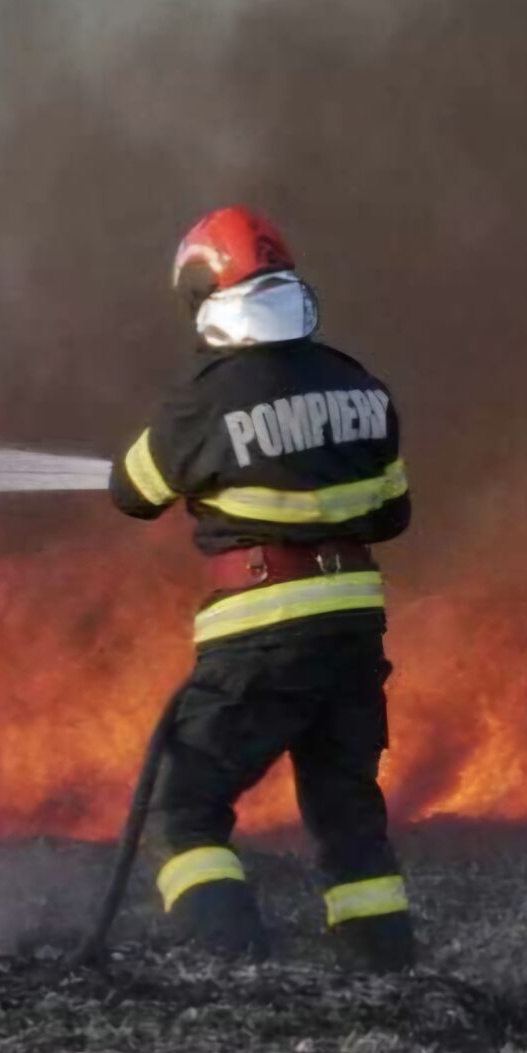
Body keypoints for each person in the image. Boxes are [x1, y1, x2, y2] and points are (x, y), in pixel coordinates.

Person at [109, 205, 415, 970]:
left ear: (210, 295)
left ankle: (231, 963)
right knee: (347, 808)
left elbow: (132, 491)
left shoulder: (203, 401)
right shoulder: (361, 386)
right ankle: (385, 964)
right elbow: (393, 514)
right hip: (353, 628)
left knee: (183, 807)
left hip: (260, 630)